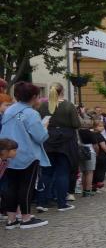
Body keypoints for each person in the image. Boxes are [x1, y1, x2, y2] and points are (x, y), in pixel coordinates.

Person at [0, 82, 50, 229]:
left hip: (9, 153)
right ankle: (26, 218)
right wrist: (45, 127)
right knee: (26, 187)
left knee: (11, 187)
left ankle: (11, 219)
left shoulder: (10, 110)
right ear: (34, 97)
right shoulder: (31, 113)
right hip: (28, 154)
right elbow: (40, 137)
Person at [38, 83, 80, 211]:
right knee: (63, 172)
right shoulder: (68, 105)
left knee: (46, 172)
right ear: (62, 91)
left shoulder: (43, 105)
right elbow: (76, 124)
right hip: (65, 141)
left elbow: (40, 122)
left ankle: (42, 202)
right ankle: (62, 203)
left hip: (48, 139)